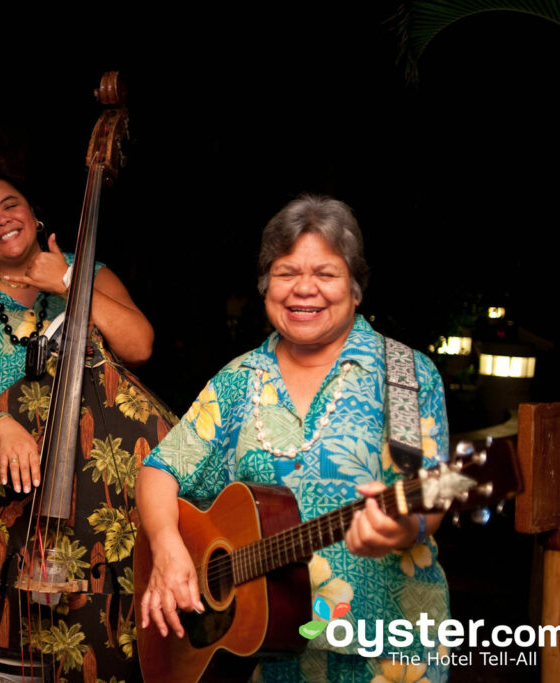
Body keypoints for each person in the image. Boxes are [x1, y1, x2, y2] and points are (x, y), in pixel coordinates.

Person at [137, 195, 450, 682]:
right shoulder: (238, 380)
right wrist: (167, 547)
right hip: (275, 653)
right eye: (286, 273)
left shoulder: (405, 375)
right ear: (266, 286)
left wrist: (405, 528)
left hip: (388, 653)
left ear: (356, 287)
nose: (305, 289)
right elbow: (160, 470)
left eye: (325, 273)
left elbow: (428, 492)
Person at [0, 175, 154, 585]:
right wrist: (1, 426)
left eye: (10, 206)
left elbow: (139, 346)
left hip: (92, 482)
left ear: (34, 217)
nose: (1, 219)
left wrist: (69, 283)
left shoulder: (91, 274)